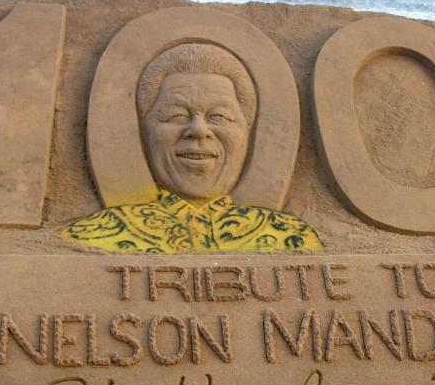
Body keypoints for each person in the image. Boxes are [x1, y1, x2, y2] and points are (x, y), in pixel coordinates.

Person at [63, 43, 322, 253]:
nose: (198, 130)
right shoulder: (91, 235)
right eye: (175, 116)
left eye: (219, 117)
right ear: (144, 129)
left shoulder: (290, 236)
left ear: (248, 130)